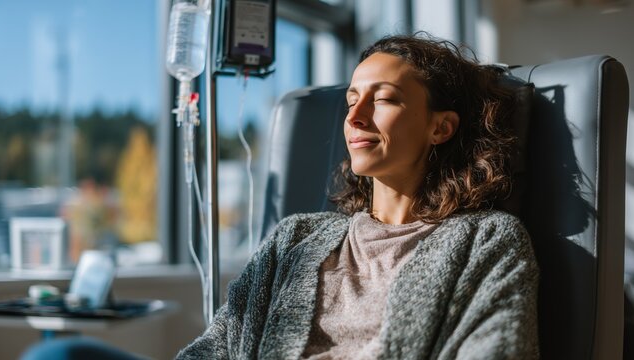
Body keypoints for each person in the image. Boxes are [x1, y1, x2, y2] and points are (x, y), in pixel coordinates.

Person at [176, 33, 539, 360]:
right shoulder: (294, 239)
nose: (356, 118)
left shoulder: (486, 241)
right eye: (352, 101)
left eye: (383, 99)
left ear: (440, 127)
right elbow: (212, 348)